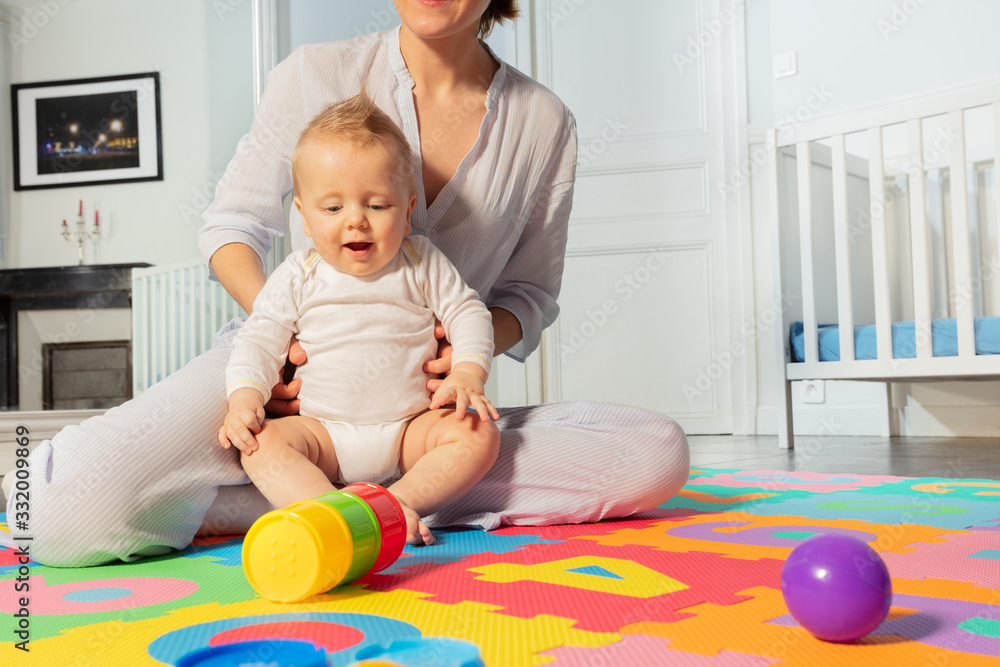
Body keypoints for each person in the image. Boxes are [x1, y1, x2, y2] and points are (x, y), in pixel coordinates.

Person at [2, 0, 689, 568]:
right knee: (52, 511)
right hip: (281, 382)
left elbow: (528, 295)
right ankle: (320, 502)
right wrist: (282, 341)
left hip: (423, 412)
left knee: (656, 453)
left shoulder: (543, 124)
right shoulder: (314, 74)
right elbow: (231, 226)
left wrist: (464, 361)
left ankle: (365, 502)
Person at [221, 92, 501, 545]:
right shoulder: (298, 273)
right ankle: (333, 515)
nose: (356, 221)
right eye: (332, 209)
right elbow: (259, 339)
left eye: (376, 205)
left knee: (478, 434)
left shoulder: (420, 260)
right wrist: (245, 397)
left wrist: (469, 371)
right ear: (305, 219)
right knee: (261, 444)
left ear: (408, 210)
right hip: (323, 436)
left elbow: (467, 311)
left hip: (412, 429)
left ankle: (401, 504)